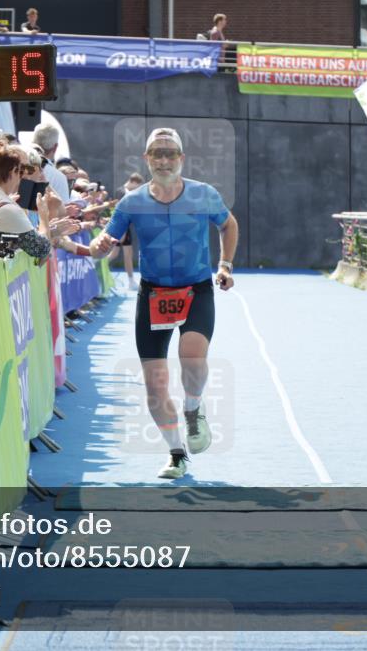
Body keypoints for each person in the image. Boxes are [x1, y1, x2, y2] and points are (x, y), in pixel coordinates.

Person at [90, 128, 239, 479]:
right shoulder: (131, 202)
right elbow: (110, 237)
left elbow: (228, 225)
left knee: (192, 355)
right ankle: (176, 453)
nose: (163, 159)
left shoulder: (204, 195)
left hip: (196, 289)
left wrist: (226, 265)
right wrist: (99, 245)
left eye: (170, 153)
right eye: (156, 153)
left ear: (181, 159)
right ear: (146, 159)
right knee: (155, 385)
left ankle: (193, 408)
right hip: (154, 293)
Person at [0, 144, 63, 261]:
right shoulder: (9, 210)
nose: (23, 177)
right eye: (21, 171)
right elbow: (42, 249)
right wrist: (44, 215)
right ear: (13, 171)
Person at [107, 172, 144, 290]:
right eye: (137, 186)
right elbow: (117, 209)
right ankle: (97, 268)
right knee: (117, 253)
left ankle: (131, 281)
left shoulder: (131, 193)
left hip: (125, 226)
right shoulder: (120, 191)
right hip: (120, 227)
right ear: (133, 182)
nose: (138, 189)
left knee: (125, 253)